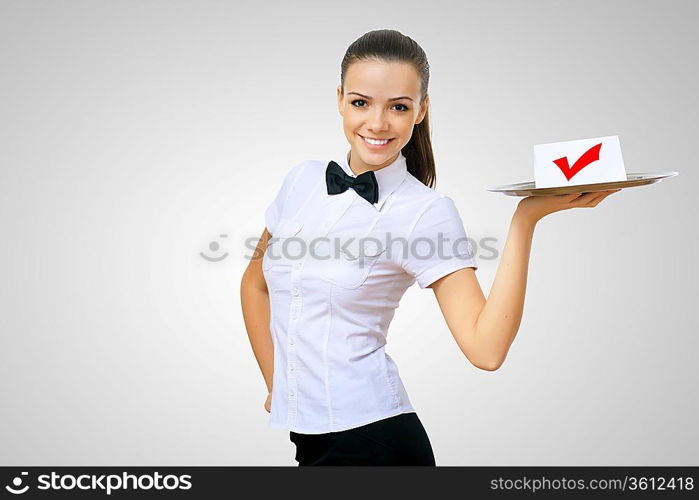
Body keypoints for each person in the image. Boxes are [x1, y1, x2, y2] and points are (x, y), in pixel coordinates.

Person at [240, 29, 620, 466]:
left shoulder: (425, 211)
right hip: (307, 439)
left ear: (421, 110)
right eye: (361, 102)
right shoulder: (301, 180)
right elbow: (255, 285)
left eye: (398, 107)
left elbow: (486, 349)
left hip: (375, 442)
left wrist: (525, 220)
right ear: (340, 98)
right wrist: (280, 386)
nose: (378, 123)